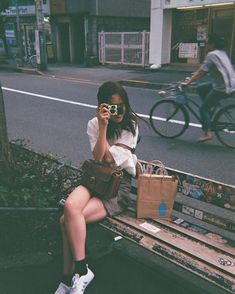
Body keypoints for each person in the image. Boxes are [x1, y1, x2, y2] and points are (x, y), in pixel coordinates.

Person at [55, 81, 139, 294]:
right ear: (103, 107)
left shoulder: (131, 126)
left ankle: (67, 279)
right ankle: (82, 272)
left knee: (67, 221)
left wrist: (104, 140)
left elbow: (107, 158)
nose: (119, 111)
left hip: (117, 187)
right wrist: (102, 126)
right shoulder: (94, 124)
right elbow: (99, 157)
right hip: (96, 179)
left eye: (122, 106)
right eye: (113, 107)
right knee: (71, 207)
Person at [183, 34, 235, 142]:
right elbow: (207, 69)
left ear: (212, 44)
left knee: (203, 109)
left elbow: (201, 72)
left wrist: (188, 82)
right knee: (201, 87)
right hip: (229, 84)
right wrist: (194, 76)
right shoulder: (222, 53)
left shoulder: (211, 55)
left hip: (222, 88)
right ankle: (211, 106)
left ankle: (207, 133)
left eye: (208, 43)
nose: (206, 45)